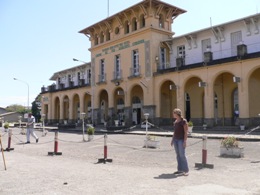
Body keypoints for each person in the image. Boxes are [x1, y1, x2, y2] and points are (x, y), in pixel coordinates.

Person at [171, 108, 189, 176]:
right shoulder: (175, 122)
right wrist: (172, 140)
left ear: (177, 114)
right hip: (175, 140)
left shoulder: (183, 121)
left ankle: (186, 170)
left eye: (174, 113)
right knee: (178, 155)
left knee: (182, 155)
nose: (173, 114)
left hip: (181, 140)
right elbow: (175, 132)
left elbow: (185, 132)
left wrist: (185, 141)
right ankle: (180, 169)